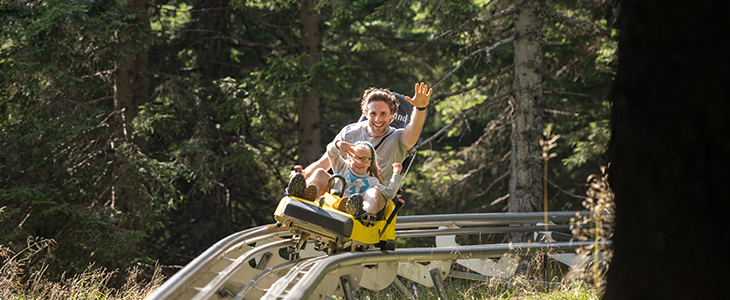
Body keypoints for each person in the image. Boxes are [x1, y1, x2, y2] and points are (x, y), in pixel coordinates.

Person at [287, 82, 432, 216]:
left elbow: (414, 130)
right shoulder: (350, 132)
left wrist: (420, 109)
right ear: (366, 113)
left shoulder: (399, 138)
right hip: (341, 189)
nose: (377, 119)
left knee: (374, 193)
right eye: (373, 114)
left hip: (371, 194)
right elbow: (324, 163)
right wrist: (303, 175)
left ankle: (358, 216)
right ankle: (301, 205)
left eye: (383, 114)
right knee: (319, 174)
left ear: (392, 115)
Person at [326, 140, 403, 218]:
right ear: (349, 159)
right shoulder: (342, 167)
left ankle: (364, 217)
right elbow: (331, 151)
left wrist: (396, 174)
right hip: (333, 203)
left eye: (364, 159)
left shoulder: (372, 182)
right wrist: (338, 144)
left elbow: (389, 194)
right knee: (320, 173)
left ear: (370, 162)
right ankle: (313, 204)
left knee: (375, 191)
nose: (359, 162)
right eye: (356, 158)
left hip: (356, 216)